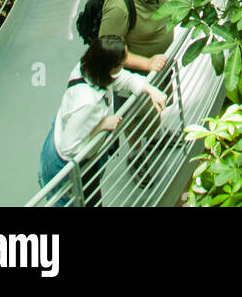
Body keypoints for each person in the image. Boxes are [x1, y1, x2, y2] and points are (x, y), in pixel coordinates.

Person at [38, 34, 165, 205]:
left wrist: (149, 89)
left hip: (67, 138)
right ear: (109, 67)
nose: (127, 61)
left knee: (91, 197)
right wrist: (101, 126)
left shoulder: (89, 67)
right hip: (62, 162)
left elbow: (122, 78)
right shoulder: (87, 103)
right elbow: (68, 148)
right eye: (122, 62)